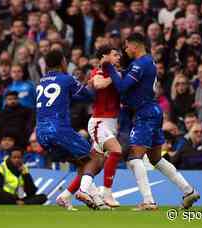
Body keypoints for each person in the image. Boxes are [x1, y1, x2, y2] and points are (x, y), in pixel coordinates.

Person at [103, 33, 199, 210]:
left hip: (145, 113)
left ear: (135, 45)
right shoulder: (146, 62)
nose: (125, 50)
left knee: (133, 158)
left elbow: (123, 86)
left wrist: (109, 69)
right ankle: (188, 190)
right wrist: (120, 71)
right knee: (155, 158)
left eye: (126, 46)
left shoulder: (141, 63)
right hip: (153, 111)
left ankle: (148, 201)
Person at [35, 50, 106, 210]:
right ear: (62, 62)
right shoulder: (66, 79)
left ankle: (70, 197)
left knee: (82, 164)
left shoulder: (42, 81)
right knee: (96, 159)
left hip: (40, 132)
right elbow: (89, 96)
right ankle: (83, 192)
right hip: (58, 130)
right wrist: (91, 83)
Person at [58, 45, 122, 209]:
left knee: (95, 164)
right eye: (114, 54)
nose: (118, 57)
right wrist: (117, 78)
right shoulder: (97, 72)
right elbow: (99, 85)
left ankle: (65, 196)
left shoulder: (115, 73)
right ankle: (103, 193)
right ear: (103, 57)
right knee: (116, 151)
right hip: (99, 122)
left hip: (111, 123)